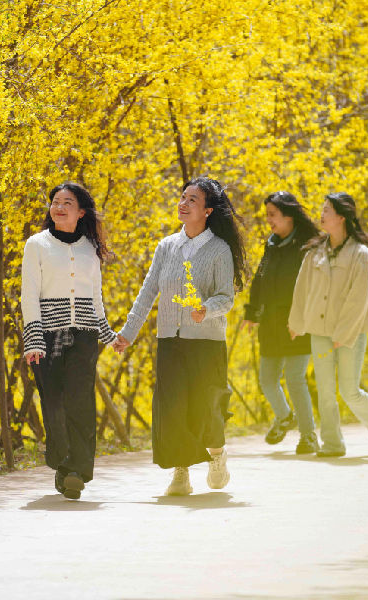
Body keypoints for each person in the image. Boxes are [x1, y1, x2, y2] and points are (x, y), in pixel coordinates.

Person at [115, 177, 247, 496]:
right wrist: (128, 333)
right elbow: (148, 292)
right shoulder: (167, 247)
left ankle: (216, 454)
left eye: (192, 200)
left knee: (205, 408)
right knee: (172, 409)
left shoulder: (219, 249)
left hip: (206, 343)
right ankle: (181, 472)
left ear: (208, 211)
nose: (183, 203)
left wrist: (207, 308)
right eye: (182, 197)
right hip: (169, 341)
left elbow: (226, 297)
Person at [21, 182, 120, 499]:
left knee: (80, 401)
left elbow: (95, 296)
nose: (59, 207)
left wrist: (108, 334)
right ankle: (62, 463)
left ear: (80, 212)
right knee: (55, 403)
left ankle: (76, 470)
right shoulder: (37, 245)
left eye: (67, 202)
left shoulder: (89, 247)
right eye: (55, 202)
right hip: (48, 336)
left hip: (85, 336)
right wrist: (33, 337)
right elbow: (29, 295)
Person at [288, 192, 368, 457]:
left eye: (327, 210)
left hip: (351, 332)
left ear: (342, 217)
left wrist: (343, 333)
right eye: (322, 209)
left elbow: (359, 298)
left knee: (349, 390)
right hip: (320, 331)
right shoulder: (315, 253)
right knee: (324, 390)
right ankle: (333, 444)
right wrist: (297, 322)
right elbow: (302, 289)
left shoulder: (359, 253)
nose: (321, 214)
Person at [242, 192, 321, 454]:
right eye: (267, 215)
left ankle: (308, 436)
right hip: (271, 323)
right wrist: (252, 313)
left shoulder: (308, 246)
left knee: (295, 379)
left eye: (272, 215)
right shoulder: (272, 244)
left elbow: (315, 288)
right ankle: (286, 416)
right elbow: (260, 278)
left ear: (289, 215)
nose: (268, 221)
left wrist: (302, 320)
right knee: (267, 379)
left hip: (299, 323)